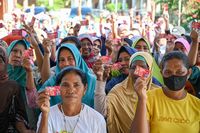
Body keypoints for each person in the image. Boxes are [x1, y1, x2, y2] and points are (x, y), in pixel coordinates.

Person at [131, 51, 200, 133]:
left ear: (188, 73)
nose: (174, 76)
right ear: (161, 73)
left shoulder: (197, 105)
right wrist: (141, 99)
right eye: (168, 72)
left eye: (179, 72)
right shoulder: (147, 99)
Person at [93, 52, 161, 133]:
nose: (137, 71)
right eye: (133, 67)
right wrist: (100, 81)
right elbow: (100, 113)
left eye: (142, 67)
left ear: (150, 70)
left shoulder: (158, 93)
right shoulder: (118, 91)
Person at [37, 67, 106, 133]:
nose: (71, 90)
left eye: (76, 85)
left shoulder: (96, 119)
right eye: (65, 85)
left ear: (85, 89)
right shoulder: (47, 115)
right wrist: (45, 114)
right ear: (58, 88)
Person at [0, 46, 34, 133]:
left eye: (0, 61)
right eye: (14, 51)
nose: (17, 55)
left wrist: (23, 130)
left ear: (5, 64)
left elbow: (17, 115)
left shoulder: (12, 87)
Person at [6, 39, 38, 129]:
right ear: (8, 52)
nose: (17, 55)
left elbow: (33, 101)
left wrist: (29, 72)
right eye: (14, 51)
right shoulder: (2, 70)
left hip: (25, 120)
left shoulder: (31, 71)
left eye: (22, 53)